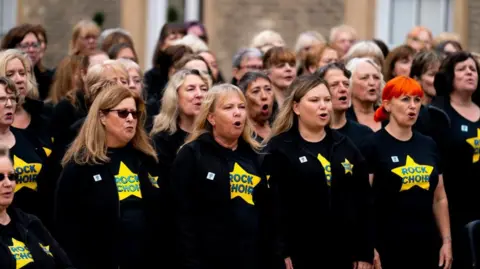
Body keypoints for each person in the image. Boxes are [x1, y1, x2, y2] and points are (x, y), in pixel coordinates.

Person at [263, 75, 372, 269]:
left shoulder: (345, 146)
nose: (324, 106)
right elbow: (273, 208)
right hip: (300, 255)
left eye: (327, 100)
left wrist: (365, 251)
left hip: (343, 255)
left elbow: (363, 201)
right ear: (296, 107)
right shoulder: (279, 149)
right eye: (314, 100)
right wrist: (281, 252)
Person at [54, 85, 164, 269]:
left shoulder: (147, 159)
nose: (130, 119)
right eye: (122, 113)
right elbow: (66, 229)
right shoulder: (80, 166)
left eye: (134, 114)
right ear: (102, 117)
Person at [170, 84, 275, 269]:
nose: (238, 113)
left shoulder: (256, 154)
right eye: (228, 108)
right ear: (211, 118)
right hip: (207, 260)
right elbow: (181, 216)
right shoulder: (192, 154)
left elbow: (268, 212)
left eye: (241, 107)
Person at [361, 76, 452, 269]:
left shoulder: (428, 144)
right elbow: (361, 201)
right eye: (405, 99)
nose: (412, 106)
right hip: (387, 246)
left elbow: (439, 197)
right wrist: (367, 247)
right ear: (387, 105)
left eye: (417, 100)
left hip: (427, 244)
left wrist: (447, 242)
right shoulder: (371, 145)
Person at [430, 51, 480, 268]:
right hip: (452, 205)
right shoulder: (437, 113)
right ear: (450, 76)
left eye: (473, 69)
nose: (469, 72)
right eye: (462, 69)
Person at [0, 145, 73, 268]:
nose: (8, 184)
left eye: (11, 177)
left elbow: (65, 265)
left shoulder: (31, 223)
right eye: (0, 177)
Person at [0, 76, 47, 217]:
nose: (9, 104)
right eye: (2, 99)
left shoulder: (29, 138)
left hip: (35, 224)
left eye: (12, 98)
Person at [150, 69, 210, 170]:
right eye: (191, 89)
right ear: (175, 97)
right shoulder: (162, 141)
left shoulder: (216, 135)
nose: (199, 94)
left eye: (204, 89)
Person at [315, 62, 373, 146]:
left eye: (346, 84)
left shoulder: (365, 135)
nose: (343, 89)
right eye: (334, 85)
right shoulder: (310, 135)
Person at [346, 57, 384, 131]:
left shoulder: (390, 117)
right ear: (349, 83)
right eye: (364, 78)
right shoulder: (342, 119)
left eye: (376, 77)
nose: (372, 83)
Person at [238, 71, 274, 141]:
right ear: (243, 98)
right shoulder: (239, 136)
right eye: (256, 91)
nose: (264, 96)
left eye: (268, 89)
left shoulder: (280, 129)